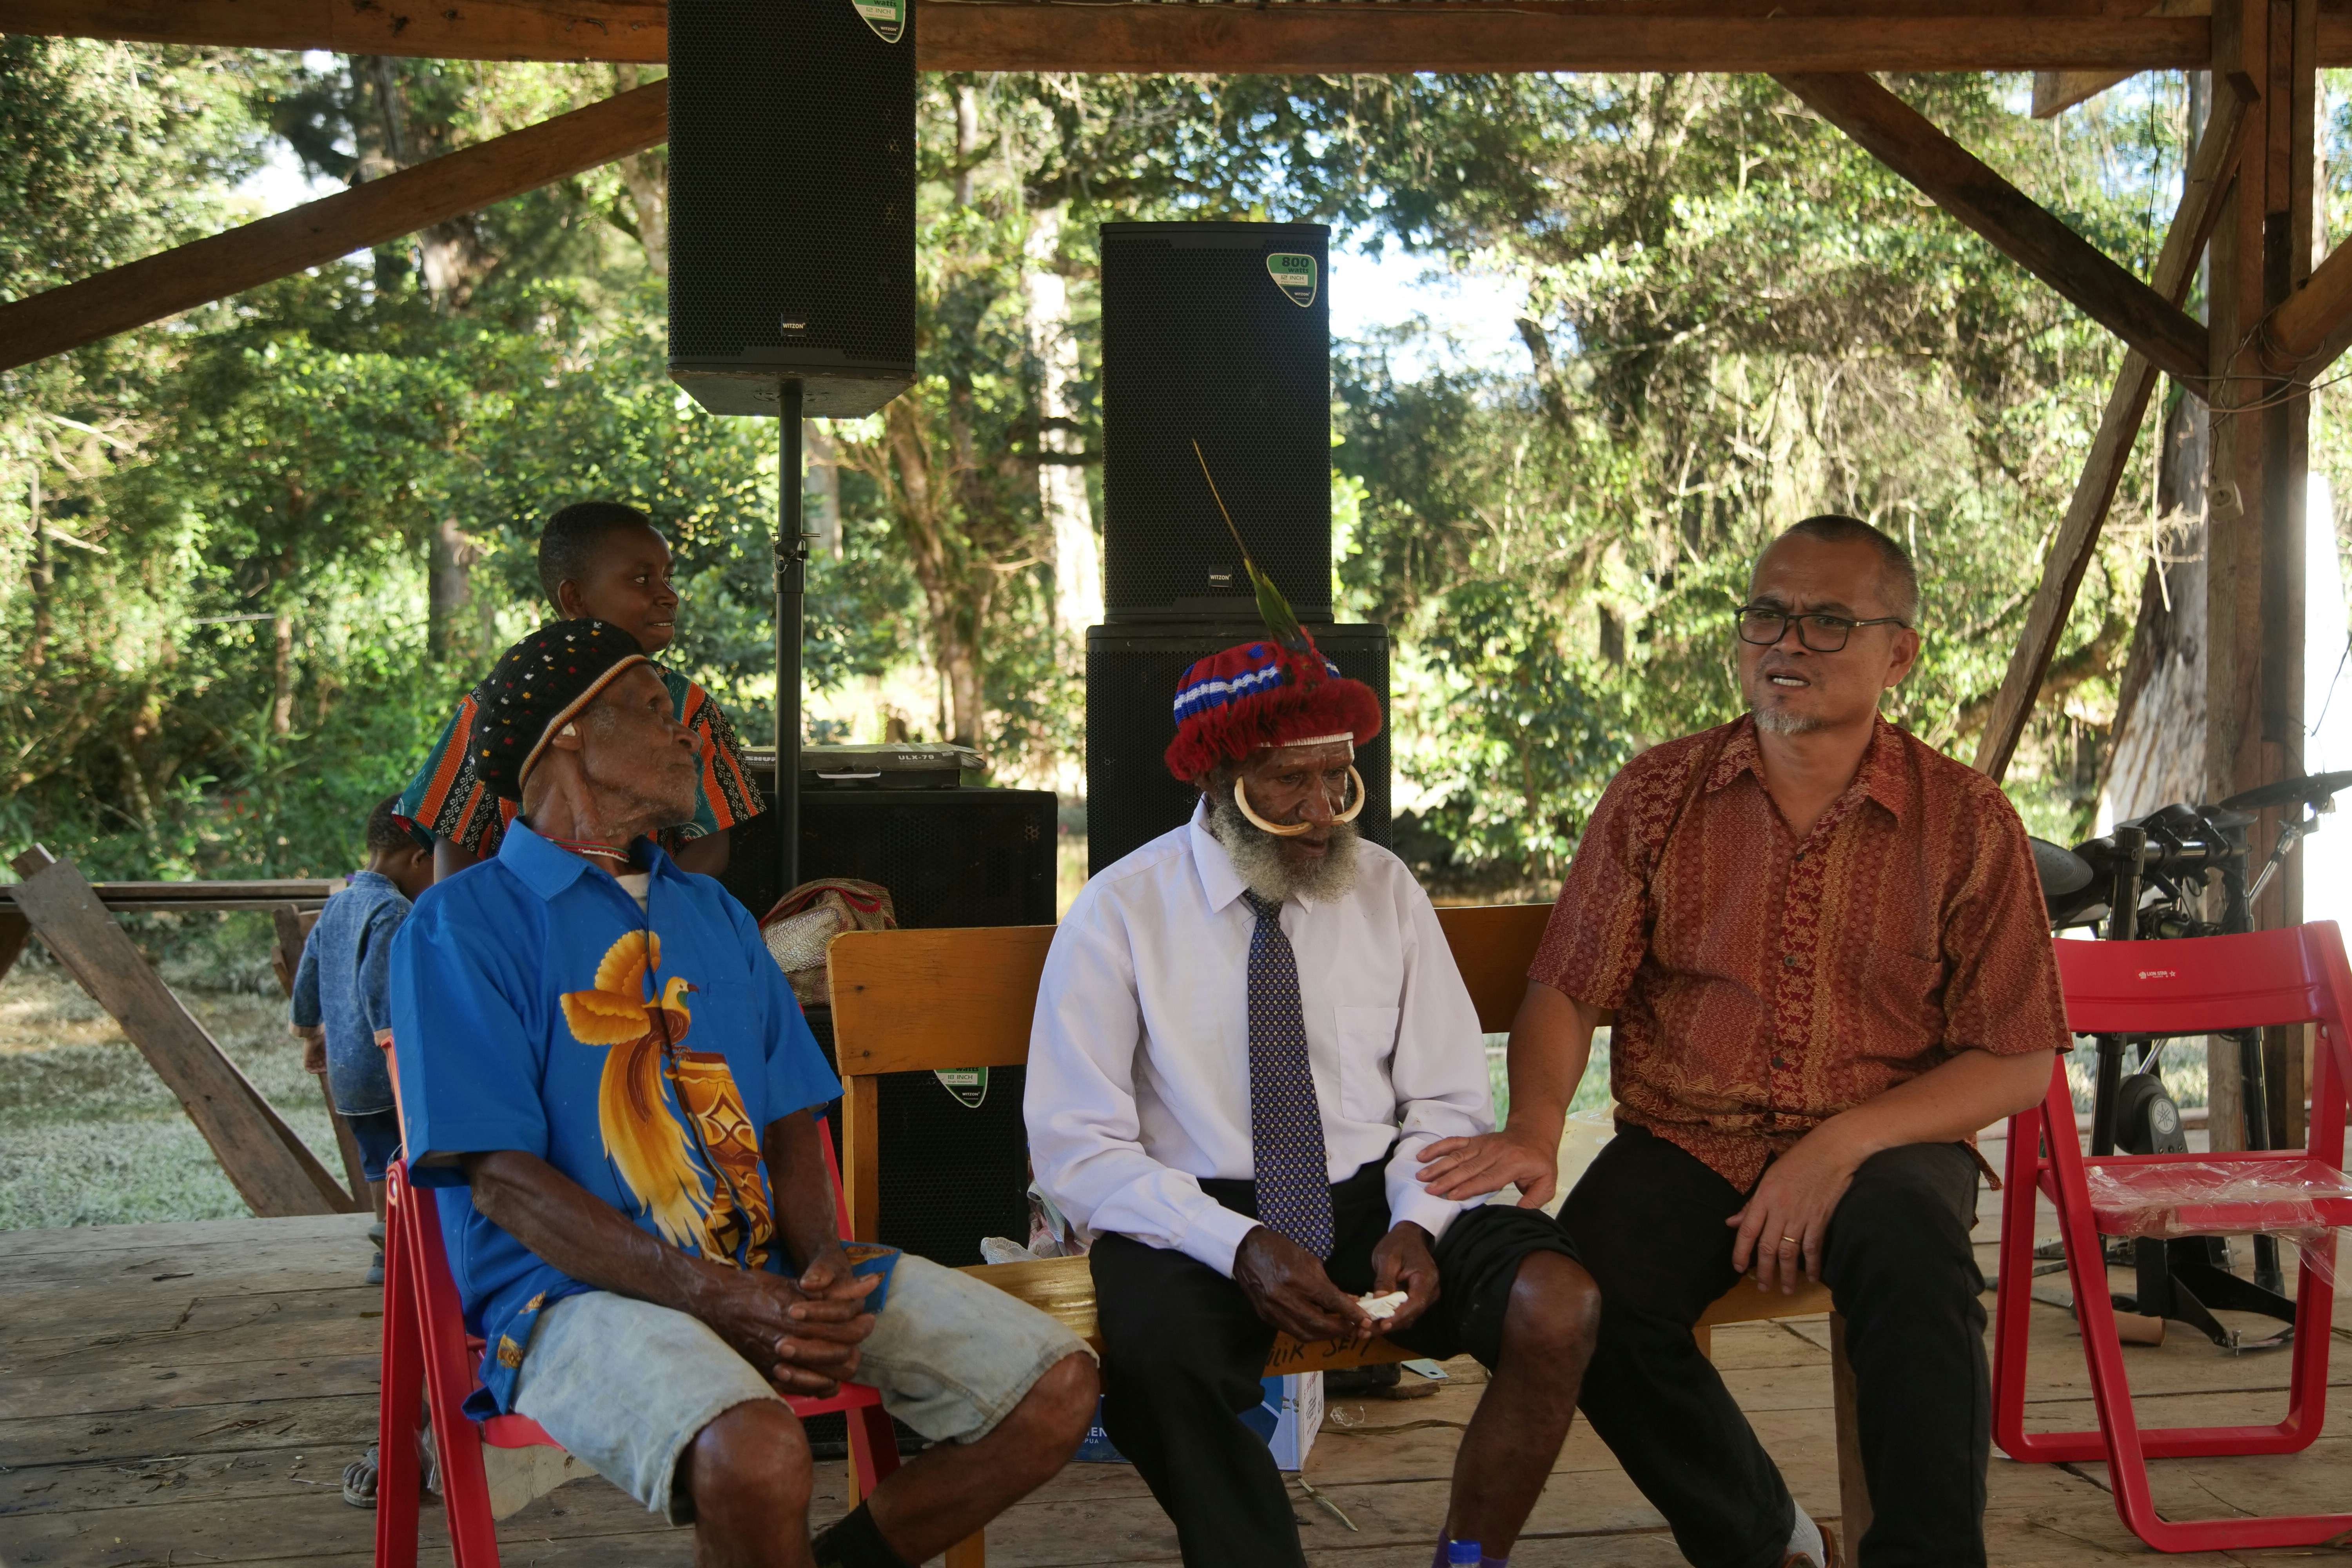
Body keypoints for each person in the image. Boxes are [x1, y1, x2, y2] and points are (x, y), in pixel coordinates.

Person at [1418, 516, 2068, 1568]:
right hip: (1689, 1132)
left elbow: (2017, 1057)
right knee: (1582, 1301)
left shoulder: (1966, 820)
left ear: (1899, 653)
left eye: (1827, 621)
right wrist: (1536, 1125)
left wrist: (1836, 1148)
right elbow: (1567, 986)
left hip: (1887, 1142)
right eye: (1767, 614)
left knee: (1916, 1270)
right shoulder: (1658, 795)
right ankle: (1762, 1539)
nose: (1787, 644)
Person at [389, 620, 1098, 1567]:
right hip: (567, 1301)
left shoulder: (713, 911)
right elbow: (504, 1182)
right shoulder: (460, 924)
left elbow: (791, 1121)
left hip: (764, 1276)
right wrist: (718, 1297)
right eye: (653, 709)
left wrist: (819, 1271)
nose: (688, 734)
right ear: (566, 734)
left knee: (1056, 1387)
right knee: (758, 1454)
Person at [1026, 633, 1602, 1568]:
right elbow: (1078, 1150)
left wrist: (1417, 1220)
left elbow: (1448, 1096)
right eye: (1289, 783)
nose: (1324, 812)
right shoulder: (1120, 911)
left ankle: (1469, 1558)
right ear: (1216, 776)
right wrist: (1238, 1243)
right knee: (1159, 1363)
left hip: (1379, 1193)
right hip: (1196, 1215)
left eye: (1339, 779)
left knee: (1558, 1300)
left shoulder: (1384, 888)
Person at [399, 501, 762, 883]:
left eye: (668, 577)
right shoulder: (500, 703)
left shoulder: (692, 709)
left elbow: (709, 844)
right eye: (642, 579)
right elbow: (456, 840)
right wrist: (490, 916)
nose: (669, 595)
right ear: (575, 598)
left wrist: (637, 907)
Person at [289, 793, 435, 1283]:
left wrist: (311, 1035)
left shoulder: (340, 903)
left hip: (348, 1073)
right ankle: (408, 1250)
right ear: (420, 857)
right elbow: (384, 991)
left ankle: (386, 1252)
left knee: (379, 1163)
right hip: (384, 1067)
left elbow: (308, 970)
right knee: (410, 1156)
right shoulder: (391, 910)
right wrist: (404, 1053)